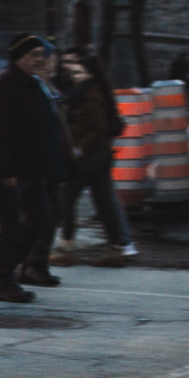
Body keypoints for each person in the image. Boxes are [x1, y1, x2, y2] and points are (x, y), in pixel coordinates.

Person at [0, 35, 57, 302]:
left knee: (42, 220)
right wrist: (6, 171)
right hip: (10, 171)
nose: (40, 58)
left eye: (42, 54)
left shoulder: (32, 84)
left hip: (32, 170)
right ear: (19, 56)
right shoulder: (4, 85)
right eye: (34, 54)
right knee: (11, 226)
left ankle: (1, 266)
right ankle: (3, 282)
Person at [51, 54, 136, 267]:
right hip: (99, 153)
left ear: (91, 73)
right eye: (73, 72)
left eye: (79, 72)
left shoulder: (91, 95)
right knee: (104, 200)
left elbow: (99, 129)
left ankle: (66, 247)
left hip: (93, 154)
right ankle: (117, 248)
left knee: (66, 193)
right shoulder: (85, 92)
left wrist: (79, 149)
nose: (75, 76)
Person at [20, 44, 72, 287]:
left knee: (50, 213)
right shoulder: (32, 88)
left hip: (52, 162)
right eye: (53, 60)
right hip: (39, 164)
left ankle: (32, 265)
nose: (56, 64)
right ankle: (27, 265)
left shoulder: (49, 88)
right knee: (43, 215)